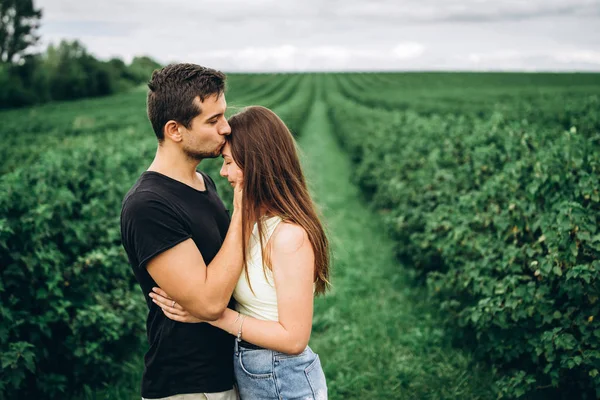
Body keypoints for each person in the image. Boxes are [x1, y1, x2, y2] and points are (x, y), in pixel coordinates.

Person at [149, 106, 330, 400]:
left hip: (283, 381)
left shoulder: (288, 237)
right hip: (258, 374)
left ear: (256, 165)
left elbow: (295, 338)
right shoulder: (254, 225)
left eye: (230, 162)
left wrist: (210, 315)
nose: (223, 172)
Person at [120, 63, 244, 400]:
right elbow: (209, 302)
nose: (226, 128)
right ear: (175, 130)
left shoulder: (202, 182)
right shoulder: (148, 205)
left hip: (225, 372)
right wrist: (244, 206)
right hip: (188, 385)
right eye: (212, 120)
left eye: (224, 115)